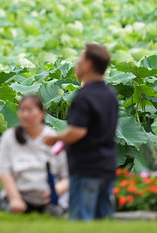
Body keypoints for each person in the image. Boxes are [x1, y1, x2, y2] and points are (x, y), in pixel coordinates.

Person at [44, 43, 119, 221]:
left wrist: (55, 137)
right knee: (103, 221)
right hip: (107, 166)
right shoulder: (111, 94)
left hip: (86, 167)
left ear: (88, 65)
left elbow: (77, 132)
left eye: (80, 59)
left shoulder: (84, 96)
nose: (76, 63)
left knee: (81, 221)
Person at [0, 94, 69, 215]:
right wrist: (15, 199)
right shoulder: (9, 137)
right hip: (19, 196)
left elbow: (67, 174)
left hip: (49, 198)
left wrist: (57, 190)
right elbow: (4, 171)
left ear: (42, 113)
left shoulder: (53, 138)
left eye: (29, 110)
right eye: (22, 110)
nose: (25, 114)